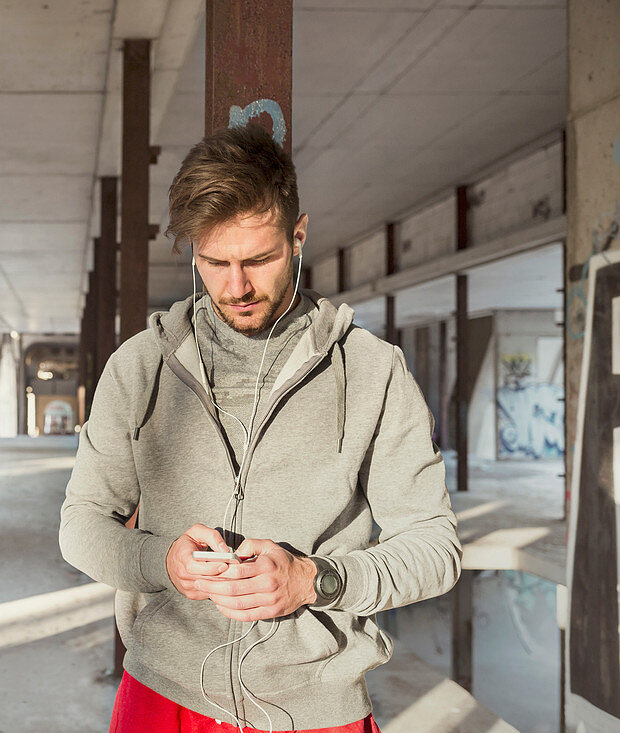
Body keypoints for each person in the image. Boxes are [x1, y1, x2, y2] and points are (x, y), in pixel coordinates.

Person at [59, 123, 461, 733]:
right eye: (213, 262)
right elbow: (80, 525)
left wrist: (315, 580)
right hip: (162, 694)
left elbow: (436, 549)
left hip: (316, 711)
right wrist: (161, 563)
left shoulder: (373, 372)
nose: (236, 286)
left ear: (299, 236)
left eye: (259, 259)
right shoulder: (139, 367)